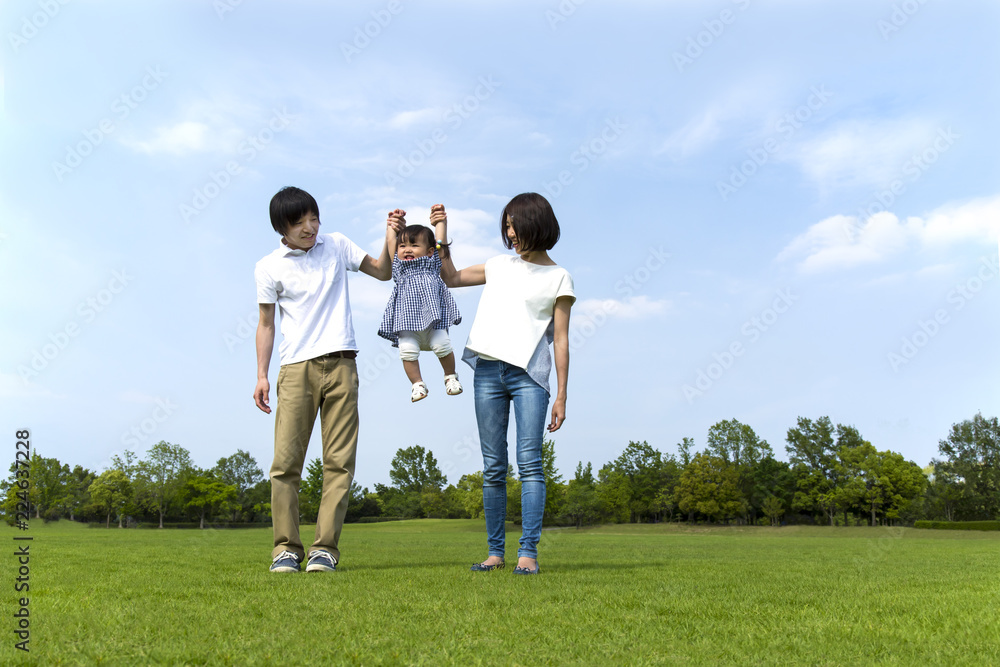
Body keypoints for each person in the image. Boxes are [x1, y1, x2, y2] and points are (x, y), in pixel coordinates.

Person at [253, 186, 403, 573]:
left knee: (339, 463)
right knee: (285, 464)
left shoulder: (336, 244)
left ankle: (325, 550)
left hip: (342, 366)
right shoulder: (268, 266)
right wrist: (261, 375)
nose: (310, 227)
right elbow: (266, 324)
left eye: (313, 218)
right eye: (299, 222)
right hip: (295, 369)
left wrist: (390, 236)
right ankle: (286, 548)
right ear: (281, 228)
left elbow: (383, 272)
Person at [436, 194, 575, 575]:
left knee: (530, 465)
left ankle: (527, 553)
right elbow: (450, 276)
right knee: (494, 466)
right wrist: (441, 233)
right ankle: (495, 553)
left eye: (515, 225)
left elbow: (560, 340)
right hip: (488, 373)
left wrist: (562, 394)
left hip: (531, 376)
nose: (510, 233)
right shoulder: (498, 265)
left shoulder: (559, 277)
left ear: (537, 224)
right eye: (507, 226)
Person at [377, 222, 463, 402]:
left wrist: (440, 223)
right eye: (403, 246)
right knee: (407, 351)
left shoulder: (432, 263)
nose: (407, 250)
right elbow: (390, 240)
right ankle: (417, 384)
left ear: (430, 251)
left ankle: (450, 377)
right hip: (407, 323)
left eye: (414, 245)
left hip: (433, 320)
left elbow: (439, 241)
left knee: (443, 345)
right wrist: (392, 224)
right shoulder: (399, 267)